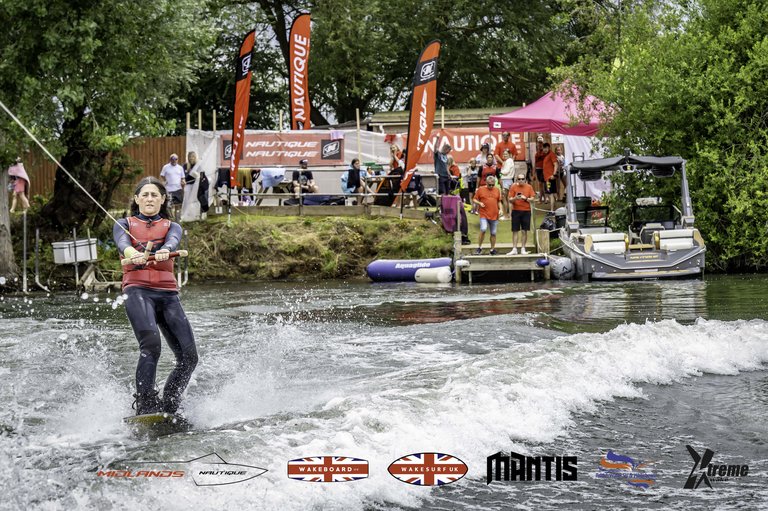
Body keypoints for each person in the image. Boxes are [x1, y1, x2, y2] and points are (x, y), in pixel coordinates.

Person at [113, 177, 198, 416]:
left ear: (162, 200)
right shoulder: (124, 224)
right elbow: (122, 243)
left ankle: (170, 402)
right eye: (145, 195)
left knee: (189, 356)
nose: (150, 199)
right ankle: (146, 404)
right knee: (151, 345)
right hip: (138, 291)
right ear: (137, 199)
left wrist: (165, 251)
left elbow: (172, 241)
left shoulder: (172, 226)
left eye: (155, 195)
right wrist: (133, 253)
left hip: (168, 294)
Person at [473, 175, 502, 255]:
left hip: (494, 214)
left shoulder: (497, 190)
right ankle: (479, 247)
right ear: (486, 183)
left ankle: (492, 249)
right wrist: (479, 203)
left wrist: (501, 209)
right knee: (483, 229)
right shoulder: (481, 189)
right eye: (489, 185)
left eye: (493, 185)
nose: (491, 186)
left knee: (493, 233)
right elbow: (474, 199)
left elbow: (499, 201)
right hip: (484, 213)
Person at [508, 173, 536, 255]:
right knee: (515, 230)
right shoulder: (513, 187)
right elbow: (509, 199)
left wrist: (526, 198)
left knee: (524, 231)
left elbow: (533, 198)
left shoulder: (529, 187)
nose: (521, 180)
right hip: (516, 210)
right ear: (516, 180)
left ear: (525, 180)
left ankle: (523, 248)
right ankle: (514, 248)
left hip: (526, 211)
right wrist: (515, 198)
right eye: (519, 179)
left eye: (522, 179)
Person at [160, 153, 184, 219]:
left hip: (178, 189)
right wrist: (165, 181)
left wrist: (183, 181)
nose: (174, 161)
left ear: (177, 160)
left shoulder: (180, 168)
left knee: (178, 205)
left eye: (175, 159)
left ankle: (177, 219)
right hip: (169, 189)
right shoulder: (166, 167)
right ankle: (171, 218)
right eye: (172, 159)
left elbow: (182, 177)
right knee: (169, 205)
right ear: (170, 160)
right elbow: (162, 175)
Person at [542, 143, 559, 211]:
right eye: (544, 148)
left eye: (546, 148)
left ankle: (552, 210)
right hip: (547, 179)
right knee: (552, 193)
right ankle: (554, 208)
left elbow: (556, 164)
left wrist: (554, 174)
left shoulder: (551, 154)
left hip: (550, 178)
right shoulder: (546, 155)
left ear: (549, 148)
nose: (545, 149)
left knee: (551, 194)